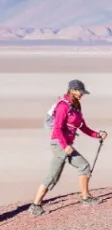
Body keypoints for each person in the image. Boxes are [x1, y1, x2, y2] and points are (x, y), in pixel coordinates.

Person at [29, 79, 107, 215]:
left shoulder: (75, 107)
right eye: (80, 91)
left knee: (78, 168)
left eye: (82, 92)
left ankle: (85, 197)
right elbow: (57, 128)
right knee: (54, 175)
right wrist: (65, 146)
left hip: (65, 145)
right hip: (60, 144)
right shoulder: (63, 106)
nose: (82, 94)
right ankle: (35, 205)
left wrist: (97, 135)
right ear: (72, 90)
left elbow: (83, 127)